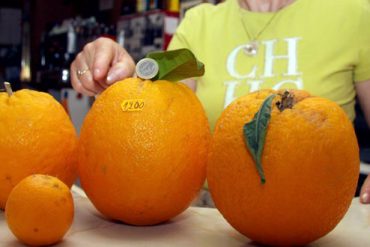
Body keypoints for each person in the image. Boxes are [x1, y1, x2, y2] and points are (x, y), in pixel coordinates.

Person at [70, 0, 370, 205]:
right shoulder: (200, 21)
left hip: (314, 215)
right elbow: (156, 111)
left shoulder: (355, 13)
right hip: (208, 215)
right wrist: (116, 74)